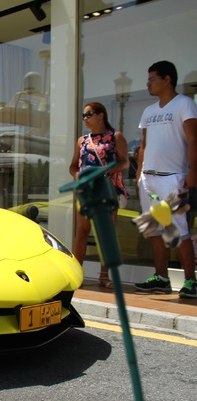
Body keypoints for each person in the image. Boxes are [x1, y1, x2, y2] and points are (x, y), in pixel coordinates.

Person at [134, 60, 197, 298]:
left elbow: (193, 140)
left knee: (179, 230)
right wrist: (139, 174)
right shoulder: (149, 111)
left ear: (167, 79)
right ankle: (161, 278)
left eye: (152, 79)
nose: (148, 83)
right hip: (148, 179)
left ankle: (191, 280)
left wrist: (192, 173)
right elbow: (143, 145)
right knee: (154, 229)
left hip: (173, 178)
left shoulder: (185, 104)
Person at [69, 102, 129, 289]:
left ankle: (104, 276)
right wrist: (78, 175)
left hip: (106, 190)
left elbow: (124, 163)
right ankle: (76, 274)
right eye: (83, 115)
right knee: (82, 232)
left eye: (89, 114)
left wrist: (105, 171)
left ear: (101, 115)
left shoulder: (115, 137)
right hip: (86, 191)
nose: (85, 118)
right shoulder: (82, 140)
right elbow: (73, 166)